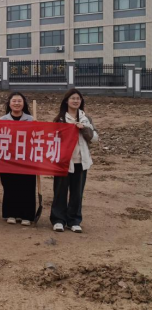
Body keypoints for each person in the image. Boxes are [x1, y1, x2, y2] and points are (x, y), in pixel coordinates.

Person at [51, 89, 98, 234]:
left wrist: (84, 129)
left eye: (78, 98)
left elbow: (95, 138)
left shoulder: (86, 118)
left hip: (81, 161)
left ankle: (74, 221)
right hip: (63, 162)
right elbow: (52, 139)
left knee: (77, 193)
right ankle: (58, 220)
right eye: (73, 98)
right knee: (60, 191)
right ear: (67, 101)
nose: (76, 101)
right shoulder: (59, 119)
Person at [0, 92, 36, 227]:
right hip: (8, 159)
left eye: (19, 101)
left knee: (27, 187)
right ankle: (11, 213)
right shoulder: (2, 120)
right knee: (10, 186)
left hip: (27, 159)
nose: (16, 103)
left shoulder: (31, 120)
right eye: (14, 101)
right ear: (9, 104)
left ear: (24, 103)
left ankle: (26, 215)